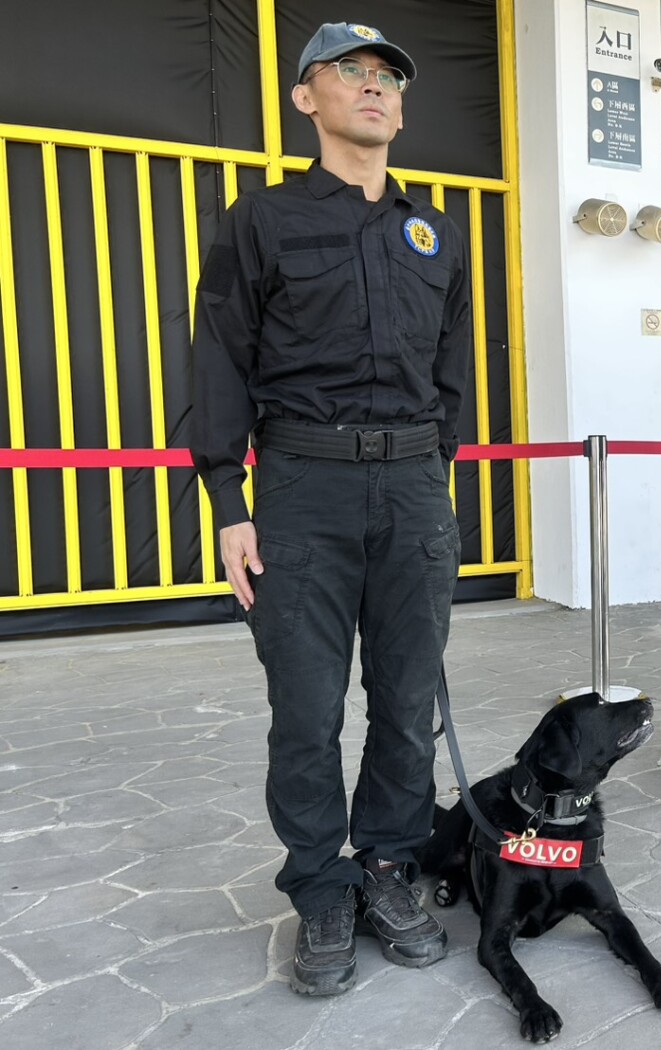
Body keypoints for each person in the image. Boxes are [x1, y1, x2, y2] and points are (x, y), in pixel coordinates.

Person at [190, 22, 469, 997]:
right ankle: (318, 884)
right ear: (306, 98)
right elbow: (218, 359)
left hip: (413, 488)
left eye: (389, 75)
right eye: (350, 70)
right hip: (302, 489)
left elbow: (452, 371)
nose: (375, 85)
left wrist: (435, 478)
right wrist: (228, 501)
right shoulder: (260, 219)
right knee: (306, 712)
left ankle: (388, 863)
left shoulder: (435, 232)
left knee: (406, 701)